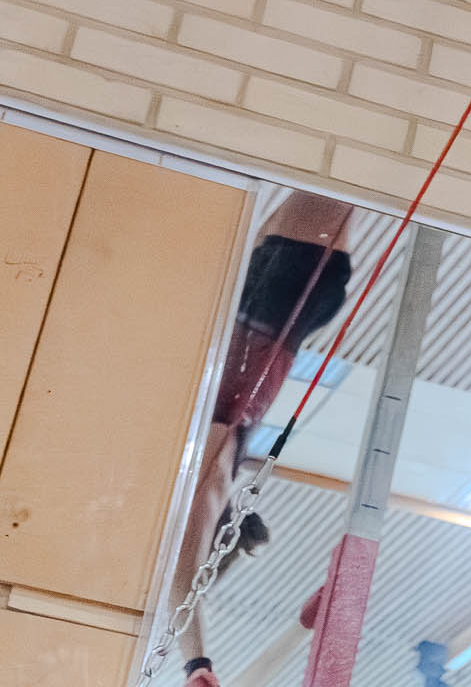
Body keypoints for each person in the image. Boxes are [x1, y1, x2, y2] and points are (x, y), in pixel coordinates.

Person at [170, 190, 357, 686]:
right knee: (346, 172)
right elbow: (182, 584)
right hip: (280, 300)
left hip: (264, 304)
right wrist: (196, 663)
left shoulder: (204, 467)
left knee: (324, 173)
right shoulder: (207, 482)